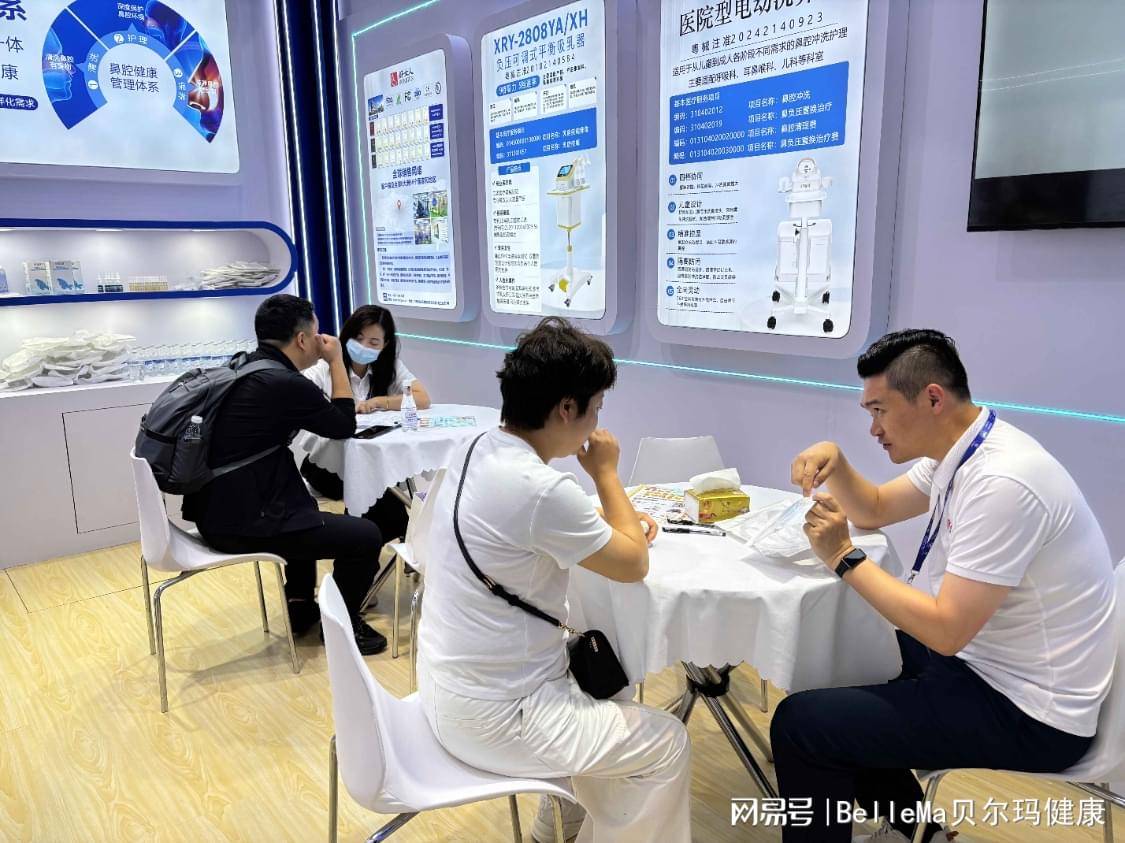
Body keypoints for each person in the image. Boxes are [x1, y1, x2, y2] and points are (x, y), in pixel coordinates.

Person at [770, 329, 1116, 843]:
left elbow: (947, 632)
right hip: (991, 666)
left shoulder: (1003, 482)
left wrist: (844, 557)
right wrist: (836, 462)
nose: (873, 429)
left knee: (802, 726)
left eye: (880, 411)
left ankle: (906, 827)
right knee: (841, 663)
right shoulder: (962, 451)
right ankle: (917, 831)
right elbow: (875, 508)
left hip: (1029, 711)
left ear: (933, 398)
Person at [416, 317, 692, 843]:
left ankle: (557, 827)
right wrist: (607, 474)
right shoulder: (540, 489)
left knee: (607, 684)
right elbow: (634, 564)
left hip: (448, 684)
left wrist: (608, 521)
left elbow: (530, 524)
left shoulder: (476, 446)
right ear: (567, 407)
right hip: (501, 715)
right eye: (596, 409)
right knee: (667, 742)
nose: (596, 424)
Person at [181, 294, 388, 655]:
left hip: (215, 513)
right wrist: (336, 360)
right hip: (245, 524)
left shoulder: (244, 366)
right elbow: (342, 424)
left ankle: (300, 605)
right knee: (366, 535)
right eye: (317, 333)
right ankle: (341, 624)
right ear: (302, 340)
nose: (322, 340)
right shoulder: (284, 383)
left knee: (304, 507)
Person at [301, 304, 431, 543]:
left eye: (373, 342)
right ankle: (399, 541)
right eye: (358, 338)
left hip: (376, 463)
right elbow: (302, 392)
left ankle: (380, 545)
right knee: (380, 492)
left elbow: (422, 398)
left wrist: (380, 401)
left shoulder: (389, 366)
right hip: (329, 467)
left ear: (385, 344)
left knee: (380, 486)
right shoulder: (324, 368)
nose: (363, 347)